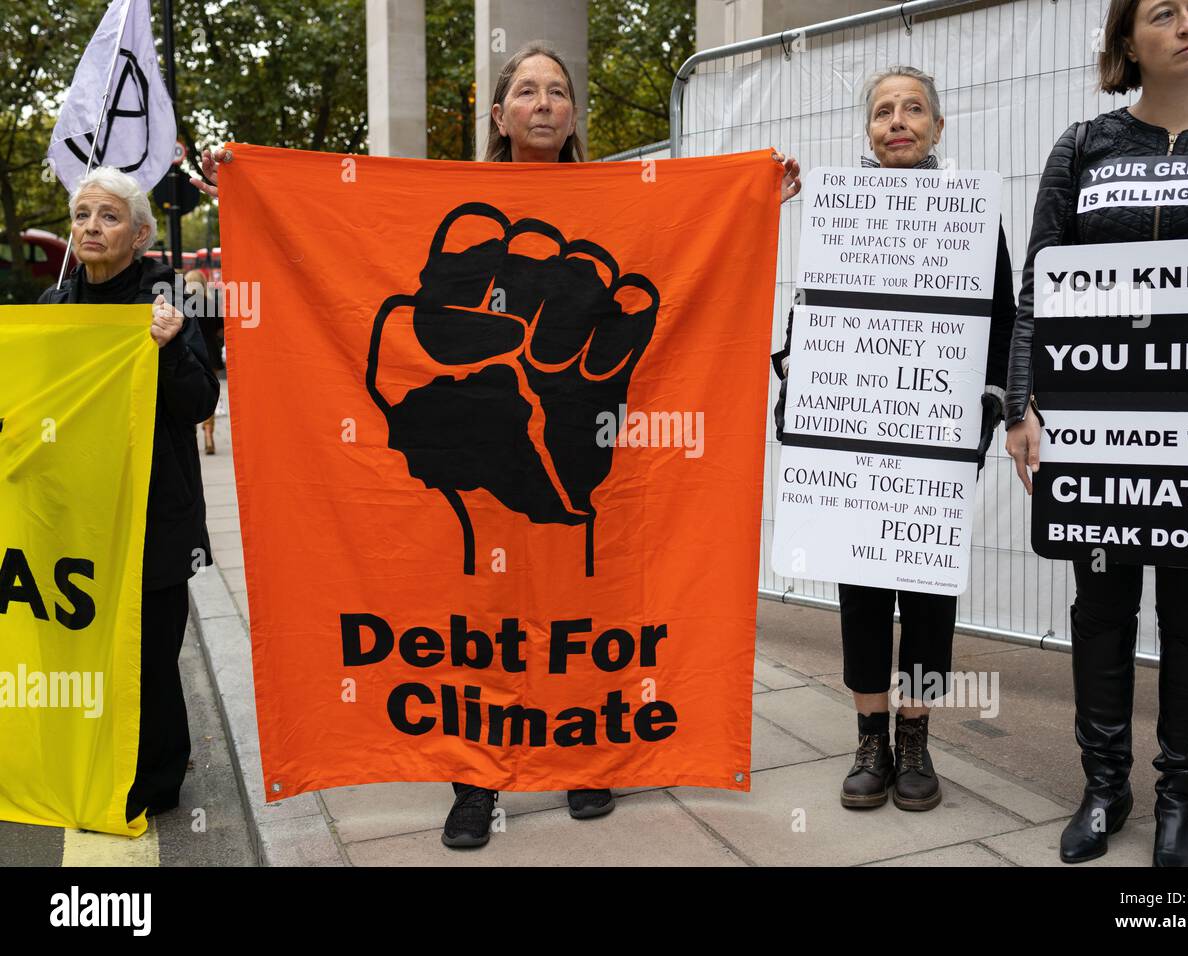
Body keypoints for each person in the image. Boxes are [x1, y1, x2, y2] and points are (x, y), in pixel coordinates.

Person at [194, 41, 801, 849]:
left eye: (558, 91)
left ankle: (587, 753)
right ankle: (475, 780)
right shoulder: (453, 208)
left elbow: (703, 238)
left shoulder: (626, 203)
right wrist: (242, 185)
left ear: (575, 116)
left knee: (584, 599)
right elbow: (320, 222)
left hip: (577, 442)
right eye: (526, 90)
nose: (544, 103)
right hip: (473, 456)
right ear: (498, 113)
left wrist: (763, 197)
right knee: (472, 605)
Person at [1004, 0, 1188, 866]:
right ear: (1127, 39)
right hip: (1095, 424)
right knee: (1100, 604)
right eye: (1163, 11)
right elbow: (1039, 285)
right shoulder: (1083, 145)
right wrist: (1021, 405)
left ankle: (1180, 795)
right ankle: (1104, 786)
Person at [772, 66, 1014, 814]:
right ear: (868, 132)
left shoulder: (975, 215)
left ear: (938, 128)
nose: (898, 120)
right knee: (863, 590)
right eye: (883, 111)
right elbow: (812, 312)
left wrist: (991, 409)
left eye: (914, 109)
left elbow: (1003, 321)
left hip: (936, 436)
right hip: (852, 436)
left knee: (930, 592)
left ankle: (917, 738)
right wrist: (798, 395)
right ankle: (869, 736)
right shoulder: (838, 212)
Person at [39, 166, 221, 819]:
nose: (92, 225)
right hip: (76, 516)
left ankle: (157, 776)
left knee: (149, 654)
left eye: (109, 215)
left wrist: (171, 348)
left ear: (141, 234)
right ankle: (89, 757)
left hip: (153, 514)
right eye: (83, 214)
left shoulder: (167, 299)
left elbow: (201, 399)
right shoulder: (54, 309)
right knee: (80, 646)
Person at [184, 268, 224, 455]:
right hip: (211, 357)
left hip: (187, 356)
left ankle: (189, 434)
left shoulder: (180, 305)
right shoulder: (211, 305)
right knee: (209, 396)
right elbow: (221, 332)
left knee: (186, 395)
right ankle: (208, 434)